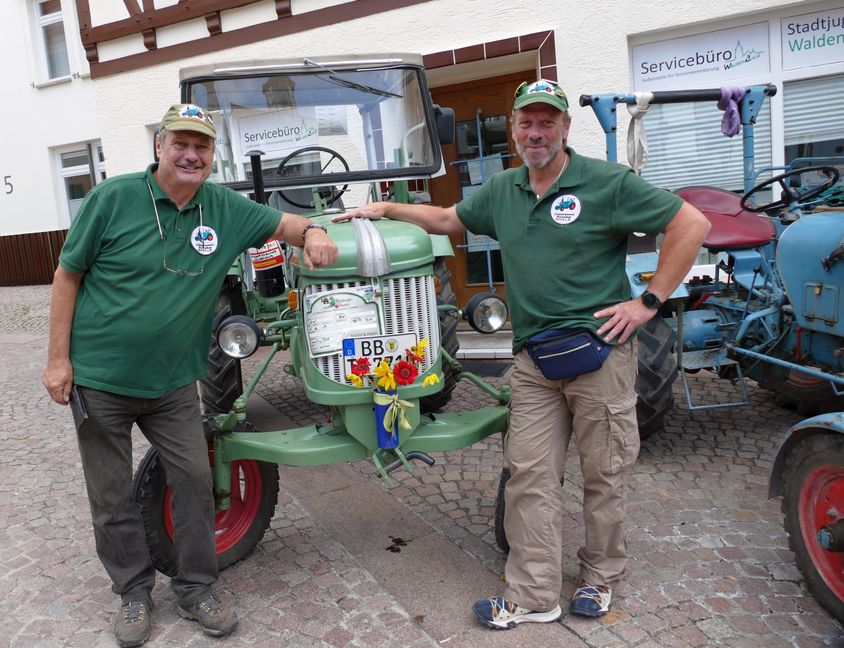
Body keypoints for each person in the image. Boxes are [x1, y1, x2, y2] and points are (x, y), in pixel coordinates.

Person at [332, 79, 710, 628]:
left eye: (547, 122)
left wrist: (648, 301)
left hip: (601, 353)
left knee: (604, 473)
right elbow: (448, 220)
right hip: (534, 360)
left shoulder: (606, 182)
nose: (536, 133)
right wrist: (386, 208)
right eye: (526, 123)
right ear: (513, 130)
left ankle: (600, 576)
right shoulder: (502, 190)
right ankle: (534, 595)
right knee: (528, 475)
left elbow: (690, 223)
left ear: (565, 128)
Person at [42, 103, 337, 647]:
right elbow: (67, 275)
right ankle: (133, 592)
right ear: (160, 146)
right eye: (180, 143)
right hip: (102, 380)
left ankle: (196, 587)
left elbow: (286, 224)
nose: (190, 155)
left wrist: (315, 230)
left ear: (211, 154)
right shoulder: (113, 198)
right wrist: (58, 360)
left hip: (175, 384)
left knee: (196, 483)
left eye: (201, 146)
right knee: (111, 496)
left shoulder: (223, 208)